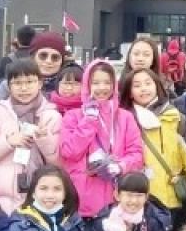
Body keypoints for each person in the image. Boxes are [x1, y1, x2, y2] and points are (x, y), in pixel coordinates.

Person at [58, 59, 144, 218]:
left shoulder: (125, 117)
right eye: (96, 83)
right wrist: (89, 121)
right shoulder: (73, 116)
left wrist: (121, 166)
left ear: (114, 85)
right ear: (87, 85)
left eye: (107, 82)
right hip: (82, 200)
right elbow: (69, 152)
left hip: (118, 200)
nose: (102, 88)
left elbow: (137, 154)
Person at [122, 67, 186, 231]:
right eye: (137, 85)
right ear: (129, 92)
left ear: (157, 86)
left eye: (148, 83)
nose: (144, 88)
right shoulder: (124, 119)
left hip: (170, 197)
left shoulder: (175, 117)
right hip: (135, 197)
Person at [0, 58, 63, 215]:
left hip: (37, 199)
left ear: (40, 84)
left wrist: (45, 141)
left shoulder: (51, 116)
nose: (24, 88)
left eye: (29, 82)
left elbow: (59, 165)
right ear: (8, 86)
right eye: (17, 83)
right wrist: (7, 142)